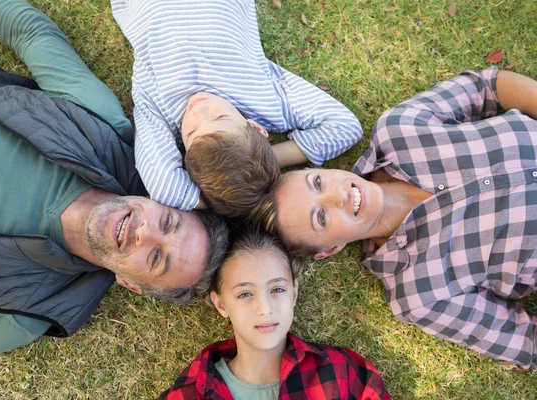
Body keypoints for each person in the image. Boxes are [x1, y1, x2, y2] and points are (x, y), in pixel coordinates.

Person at [0, 0, 228, 363]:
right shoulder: (100, 126)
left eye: (155, 257)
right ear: (161, 197)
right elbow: (33, 35)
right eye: (167, 221)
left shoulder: (27, 310)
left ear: (131, 284)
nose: (146, 232)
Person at [263, 68, 537, 369]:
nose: (336, 196)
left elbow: (488, 85)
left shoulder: (398, 131)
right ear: (328, 250)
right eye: (322, 217)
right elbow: (525, 341)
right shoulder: (422, 293)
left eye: (317, 183)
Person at [110, 0, 363, 218]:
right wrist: (261, 161)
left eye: (192, 132)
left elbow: (164, 186)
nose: (200, 112)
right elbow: (344, 127)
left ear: (185, 152)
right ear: (254, 126)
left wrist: (220, 195)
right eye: (220, 117)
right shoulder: (264, 99)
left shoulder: (157, 107)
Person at [159, 229, 391, 399]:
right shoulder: (190, 393)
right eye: (244, 294)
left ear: (294, 292)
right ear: (221, 305)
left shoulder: (340, 370)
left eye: (277, 289)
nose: (265, 308)